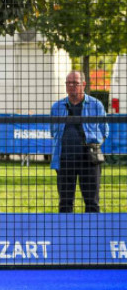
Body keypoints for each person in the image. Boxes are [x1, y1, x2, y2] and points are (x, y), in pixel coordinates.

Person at [50, 71, 108, 213]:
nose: (71, 86)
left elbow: (104, 131)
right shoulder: (57, 107)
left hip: (89, 161)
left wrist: (93, 145)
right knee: (64, 202)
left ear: (83, 84)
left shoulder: (96, 105)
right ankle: (64, 233)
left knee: (92, 202)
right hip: (64, 159)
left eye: (75, 83)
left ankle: (94, 233)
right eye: (68, 83)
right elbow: (53, 132)